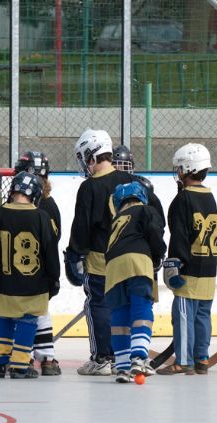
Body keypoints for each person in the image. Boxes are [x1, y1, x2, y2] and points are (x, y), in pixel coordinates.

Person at [66, 129, 135, 376]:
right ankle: (123, 357)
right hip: (129, 258)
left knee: (99, 306)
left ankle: (102, 358)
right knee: (124, 306)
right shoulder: (131, 181)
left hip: (100, 260)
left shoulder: (89, 187)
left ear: (92, 155)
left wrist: (74, 254)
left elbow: (81, 226)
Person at [0, 170, 60, 379]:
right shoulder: (42, 217)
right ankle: (19, 365)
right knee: (28, 321)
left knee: (4, 319)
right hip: (33, 284)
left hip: (4, 282)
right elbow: (50, 252)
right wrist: (54, 279)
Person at [157, 143, 217, 376]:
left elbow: (180, 234)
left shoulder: (183, 199)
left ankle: (183, 361)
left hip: (189, 268)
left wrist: (175, 263)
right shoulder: (209, 196)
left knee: (183, 316)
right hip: (209, 267)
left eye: (180, 168)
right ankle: (202, 358)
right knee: (203, 315)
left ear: (187, 169)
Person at [104, 181, 166, 383]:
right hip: (137, 261)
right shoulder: (146, 210)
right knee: (141, 306)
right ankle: (139, 357)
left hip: (113, 267)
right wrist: (158, 255)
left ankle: (122, 366)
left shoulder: (117, 219)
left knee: (119, 314)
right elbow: (154, 231)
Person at [13, 151, 63, 376]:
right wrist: (53, 275)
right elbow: (55, 240)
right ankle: (47, 358)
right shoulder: (50, 205)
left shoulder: (14, 206)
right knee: (40, 311)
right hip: (40, 270)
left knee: (19, 314)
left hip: (16, 271)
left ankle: (21, 356)